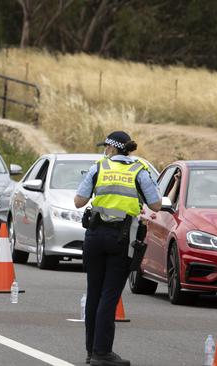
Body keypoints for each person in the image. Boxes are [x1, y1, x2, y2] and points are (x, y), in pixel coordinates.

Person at [74, 131, 161, 366]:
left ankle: (92, 351)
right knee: (109, 296)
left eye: (106, 147)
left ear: (112, 149)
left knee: (94, 293)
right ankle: (103, 353)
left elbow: (79, 201)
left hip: (94, 236)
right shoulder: (138, 171)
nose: (104, 151)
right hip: (121, 239)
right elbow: (156, 204)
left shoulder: (98, 168)